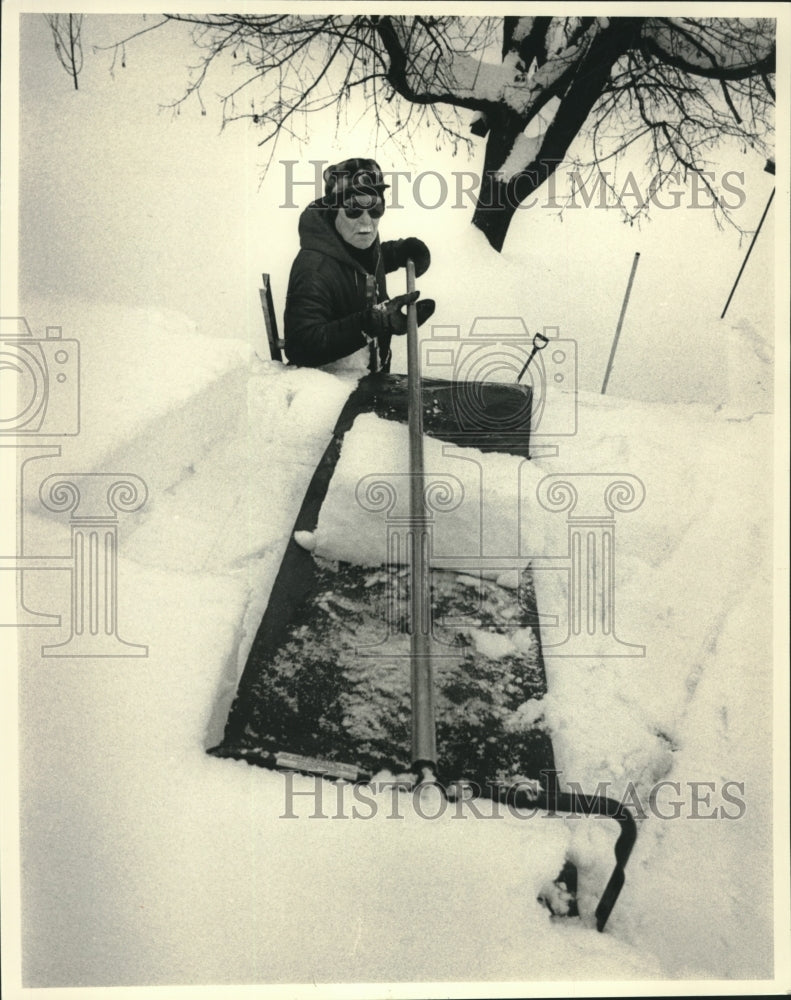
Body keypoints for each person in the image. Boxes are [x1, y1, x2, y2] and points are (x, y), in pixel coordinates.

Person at [284, 158, 435, 374]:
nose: (366, 221)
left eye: (375, 208)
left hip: (370, 378)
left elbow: (366, 261)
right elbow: (301, 346)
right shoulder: (313, 269)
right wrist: (375, 323)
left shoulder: (350, 239)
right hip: (335, 393)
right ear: (334, 209)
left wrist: (400, 251)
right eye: (354, 208)